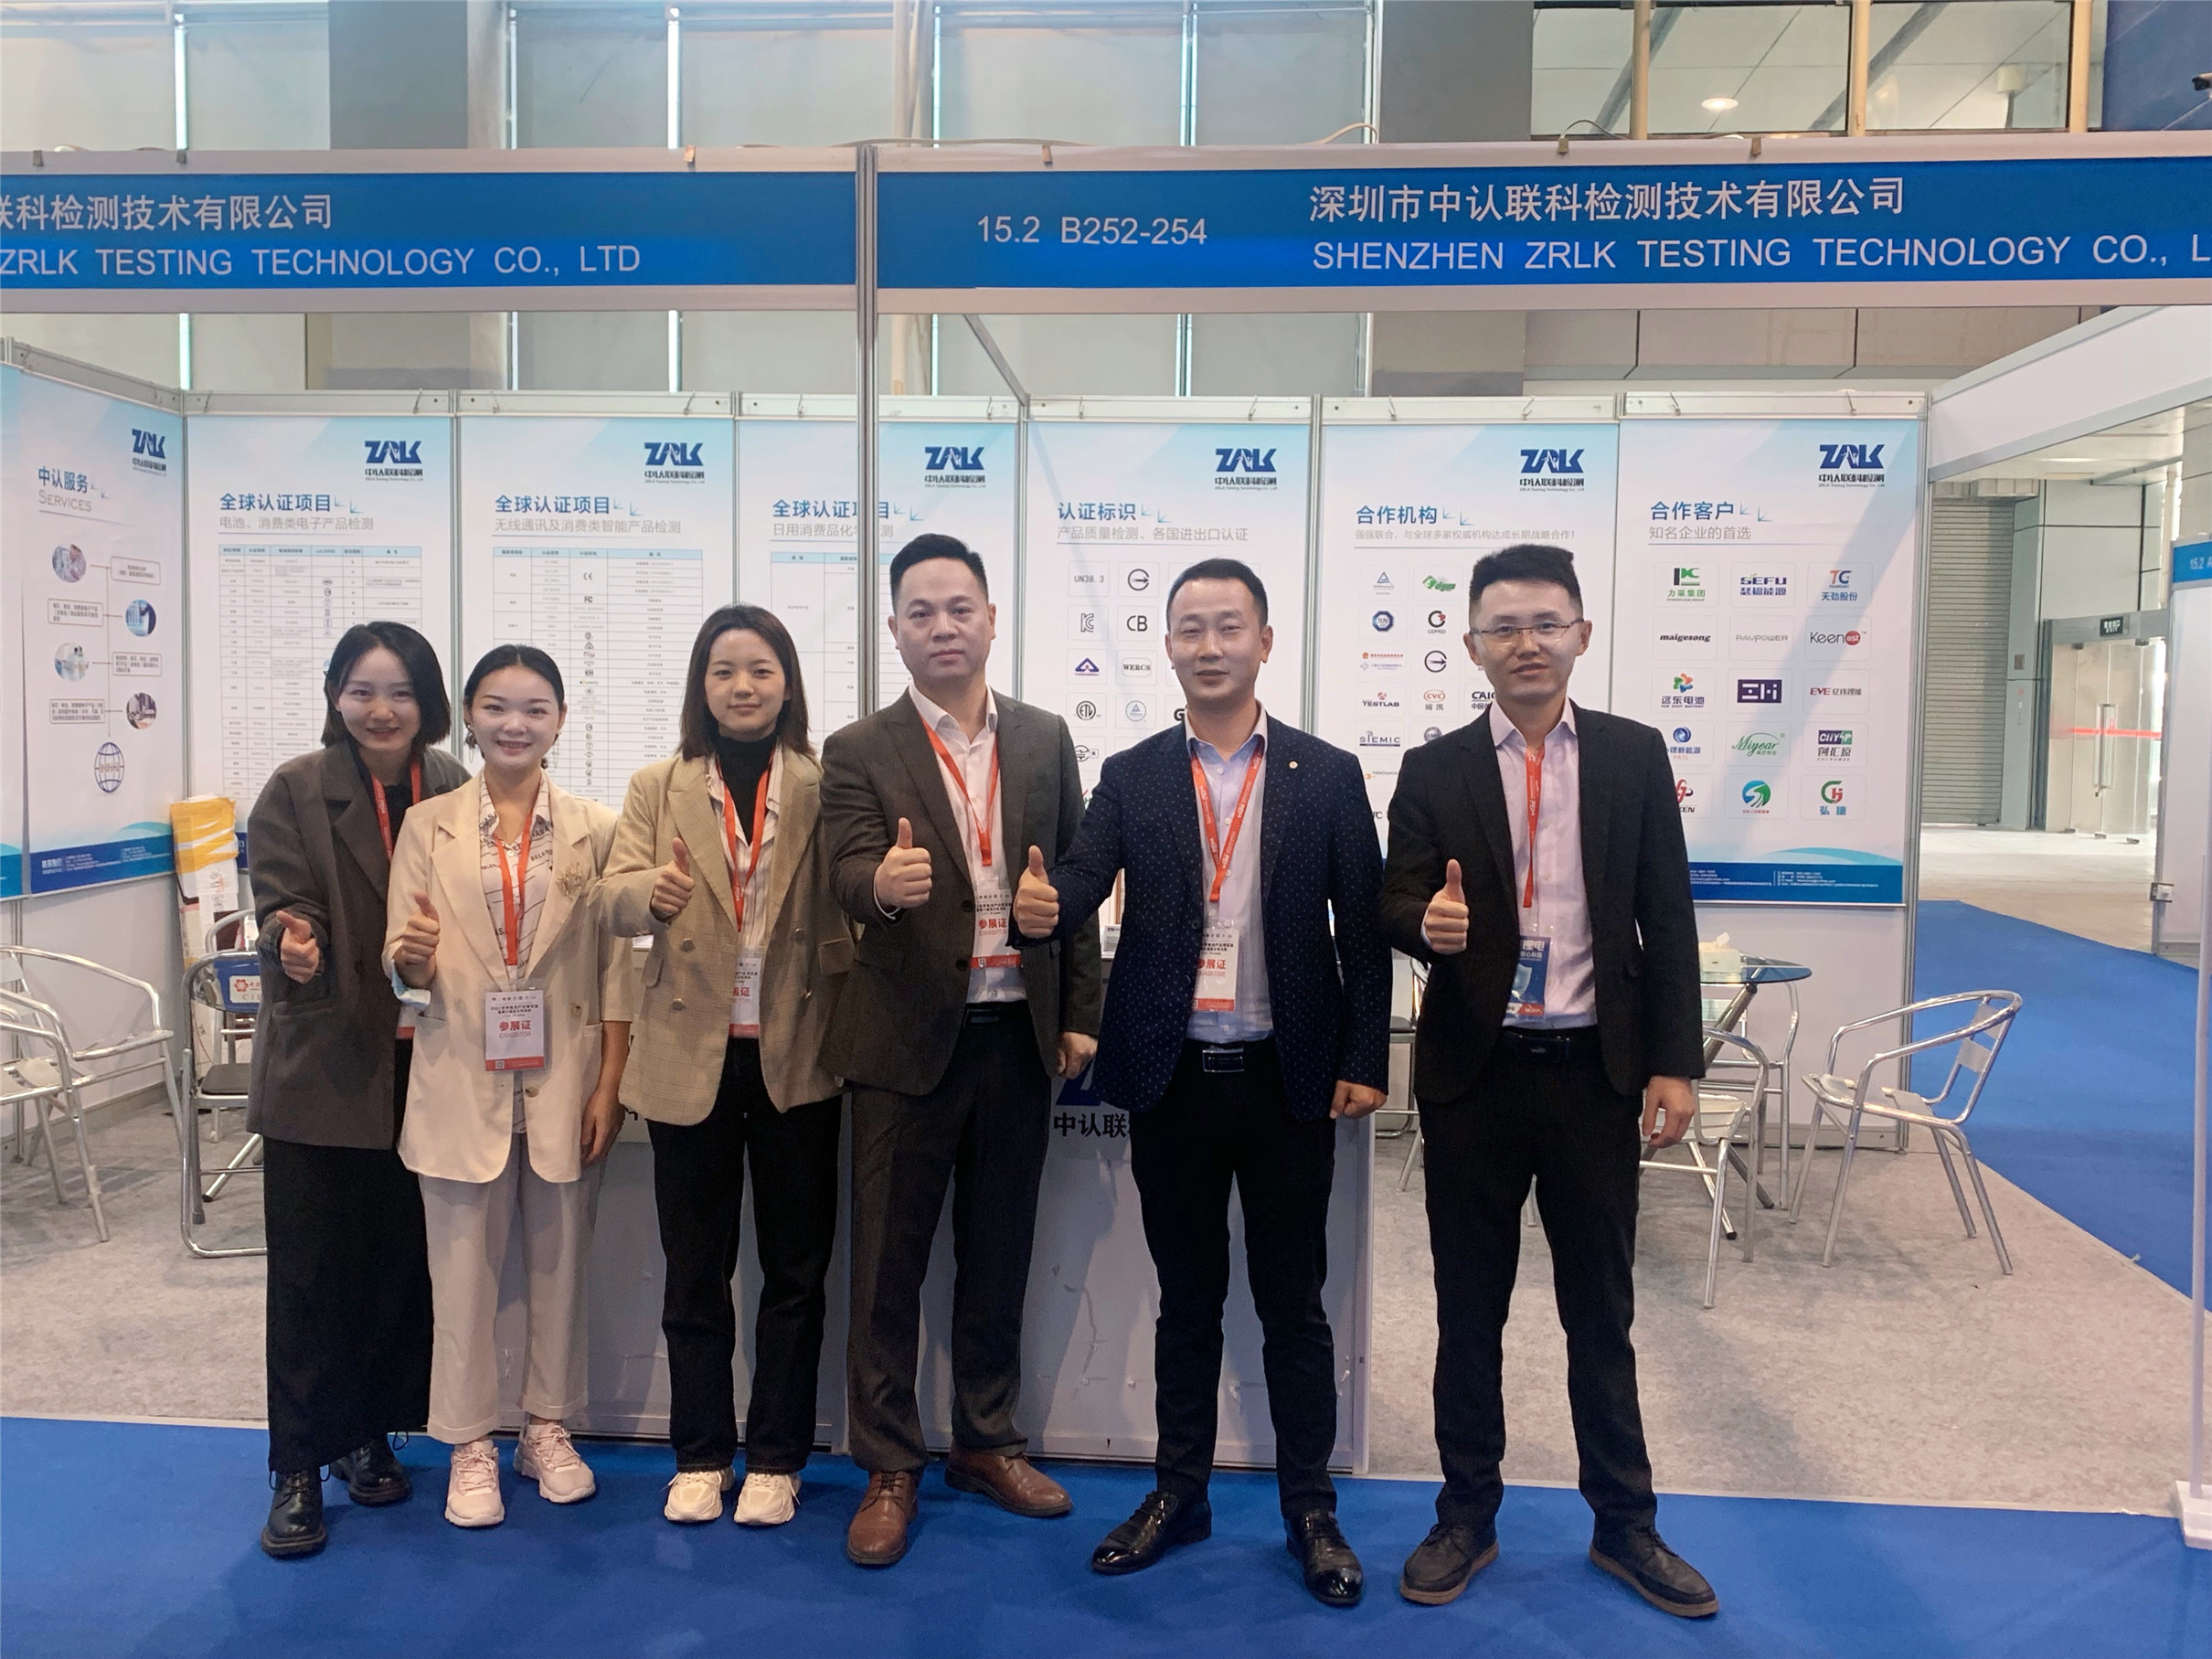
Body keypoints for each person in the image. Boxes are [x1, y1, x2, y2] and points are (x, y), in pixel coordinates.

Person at [1012, 557, 1391, 1609]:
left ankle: (1309, 1509)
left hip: (1285, 1080)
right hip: (1170, 1077)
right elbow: (1080, 879)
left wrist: (1364, 1059)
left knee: (1293, 1308)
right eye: (1190, 627)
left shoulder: (1325, 773)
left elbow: (1362, 932)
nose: (1209, 644)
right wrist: (1043, 906)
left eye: (1229, 626)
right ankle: (1179, 1494)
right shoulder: (1133, 773)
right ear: (1168, 645)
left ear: (1263, 641)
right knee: (1185, 1302)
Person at [1377, 543, 1715, 1619]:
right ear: (1471, 643)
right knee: (1467, 1311)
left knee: (1598, 1313)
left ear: (1579, 633)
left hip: (1592, 1077)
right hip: (1474, 1078)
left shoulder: (1629, 756)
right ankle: (1463, 1516)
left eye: (1544, 623)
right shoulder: (1432, 769)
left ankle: (1625, 1524)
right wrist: (1423, 924)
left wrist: (1673, 1061)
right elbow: (1391, 899)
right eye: (1502, 627)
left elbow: (1664, 915)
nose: (1525, 643)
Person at [817, 533, 1102, 1569]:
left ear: (989, 619)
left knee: (999, 1252)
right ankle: (889, 1464)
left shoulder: (1044, 738)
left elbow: (1074, 882)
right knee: (885, 1270)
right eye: (921, 612)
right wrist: (877, 886)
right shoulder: (858, 747)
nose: (942, 627)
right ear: (895, 630)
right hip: (902, 1042)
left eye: (959, 609)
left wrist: (1079, 1010)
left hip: (1016, 1036)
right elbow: (843, 869)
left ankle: (986, 1440)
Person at [601, 605, 853, 1528]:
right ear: (699, 686)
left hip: (798, 1056)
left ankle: (778, 1456)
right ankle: (701, 1453)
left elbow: (853, 900)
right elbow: (608, 901)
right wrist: (649, 892)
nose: (742, 687)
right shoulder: (658, 785)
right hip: (686, 1058)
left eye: (760, 669)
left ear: (787, 682)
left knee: (795, 1271)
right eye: (723, 671)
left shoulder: (824, 784)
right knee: (693, 1271)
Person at [384, 645, 634, 1529]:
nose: (514, 724)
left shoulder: (597, 829)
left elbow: (615, 968)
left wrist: (610, 1082)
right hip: (460, 1077)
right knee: (460, 1276)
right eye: (496, 706)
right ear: (469, 716)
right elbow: (402, 971)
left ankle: (546, 1428)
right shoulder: (428, 826)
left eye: (534, 708)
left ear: (560, 720)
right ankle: (467, 1442)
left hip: (564, 1080)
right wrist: (410, 961)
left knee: (561, 1268)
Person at [246, 621, 469, 1559]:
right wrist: (289, 941)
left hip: (426, 1064)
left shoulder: (451, 783)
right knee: (310, 1274)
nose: (381, 710)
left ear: (429, 703)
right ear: (335, 696)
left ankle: (368, 1432)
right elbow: (280, 904)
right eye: (362, 690)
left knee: (392, 1264)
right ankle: (298, 1464)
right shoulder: (296, 787)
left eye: (401, 691)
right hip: (326, 1067)